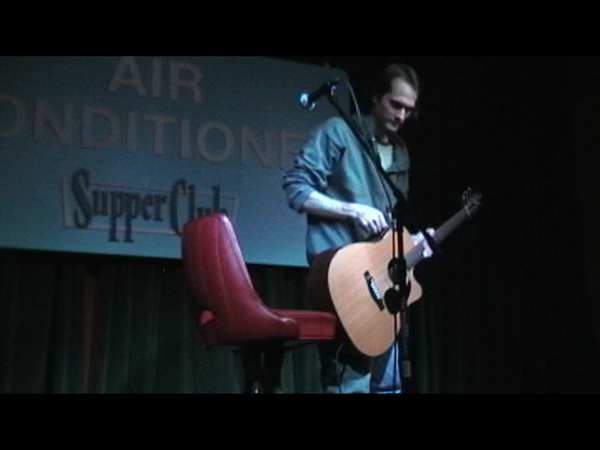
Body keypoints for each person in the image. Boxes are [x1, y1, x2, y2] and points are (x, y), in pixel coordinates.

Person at [283, 63, 431, 394]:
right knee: (350, 380)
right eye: (395, 105)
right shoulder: (338, 132)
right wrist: (352, 210)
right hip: (343, 279)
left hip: (383, 286)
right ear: (376, 98)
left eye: (409, 109)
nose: (402, 116)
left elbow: (391, 223)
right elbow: (296, 188)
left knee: (389, 384)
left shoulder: (400, 153)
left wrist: (414, 243)